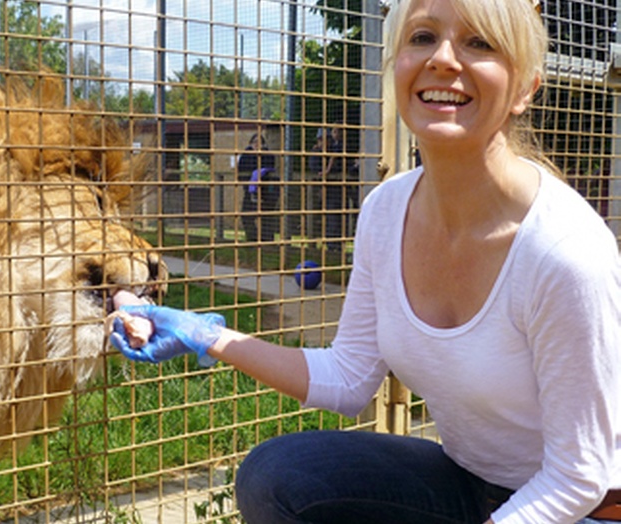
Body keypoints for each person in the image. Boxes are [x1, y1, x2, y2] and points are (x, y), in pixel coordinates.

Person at [110, 0, 621, 522]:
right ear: (395, 66)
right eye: (422, 38)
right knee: (279, 476)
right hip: (471, 484)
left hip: (587, 508)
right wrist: (206, 335)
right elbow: (350, 376)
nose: (443, 59)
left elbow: (577, 475)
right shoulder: (385, 211)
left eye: (480, 42)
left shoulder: (563, 251)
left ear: (525, 88)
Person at [237, 133, 278, 242]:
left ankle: (267, 242)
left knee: (266, 218)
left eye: (259, 142)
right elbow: (241, 171)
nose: (257, 145)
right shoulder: (246, 155)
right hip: (250, 192)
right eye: (254, 142)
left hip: (266, 193)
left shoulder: (268, 155)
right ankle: (253, 239)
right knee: (246, 217)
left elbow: (267, 167)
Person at [310, 126, 346, 252]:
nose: (324, 142)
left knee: (338, 217)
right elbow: (315, 169)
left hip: (337, 189)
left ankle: (337, 245)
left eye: (326, 139)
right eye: (321, 140)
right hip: (322, 190)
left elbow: (340, 163)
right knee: (327, 217)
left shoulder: (335, 148)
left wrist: (328, 169)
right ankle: (329, 246)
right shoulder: (316, 153)